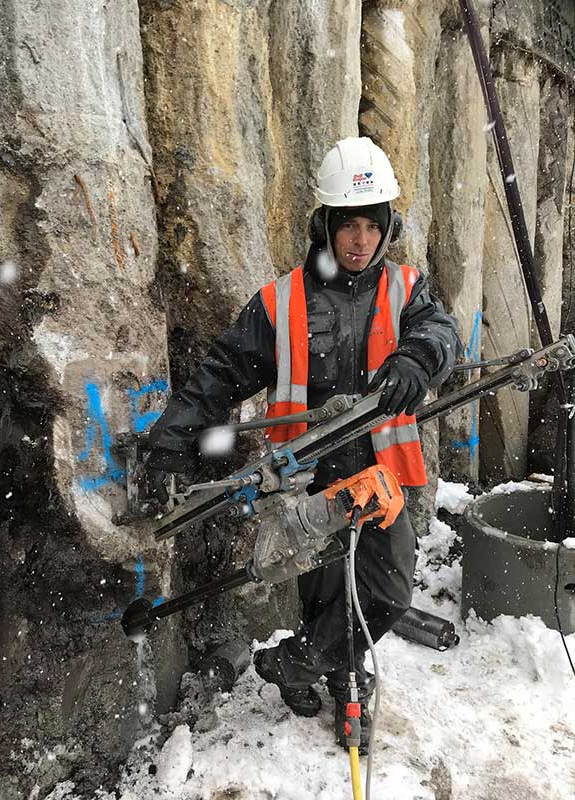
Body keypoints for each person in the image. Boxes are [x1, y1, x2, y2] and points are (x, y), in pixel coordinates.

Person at [146, 137, 461, 751]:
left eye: (373, 225)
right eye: (349, 224)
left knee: (391, 588)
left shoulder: (406, 289)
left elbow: (441, 332)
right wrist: (172, 442)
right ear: (326, 224)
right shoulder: (280, 300)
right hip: (307, 481)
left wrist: (419, 358)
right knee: (320, 587)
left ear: (388, 227)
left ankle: (300, 661)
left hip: (381, 475)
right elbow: (219, 374)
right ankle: (342, 677)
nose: (361, 240)